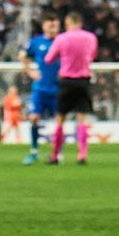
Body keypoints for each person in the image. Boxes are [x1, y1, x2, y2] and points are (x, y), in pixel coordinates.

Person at [45, 10, 100, 165]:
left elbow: (49, 59)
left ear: (67, 23)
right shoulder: (90, 38)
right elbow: (92, 56)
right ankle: (82, 154)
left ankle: (55, 155)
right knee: (82, 118)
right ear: (80, 23)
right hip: (83, 80)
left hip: (66, 81)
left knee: (60, 118)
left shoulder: (61, 38)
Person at [19, 15, 61, 165]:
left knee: (59, 121)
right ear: (44, 26)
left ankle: (56, 153)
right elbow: (23, 55)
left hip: (58, 88)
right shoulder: (37, 42)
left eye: (56, 26)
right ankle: (34, 151)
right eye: (51, 25)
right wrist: (30, 71)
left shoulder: (61, 41)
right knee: (34, 118)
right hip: (40, 88)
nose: (54, 29)